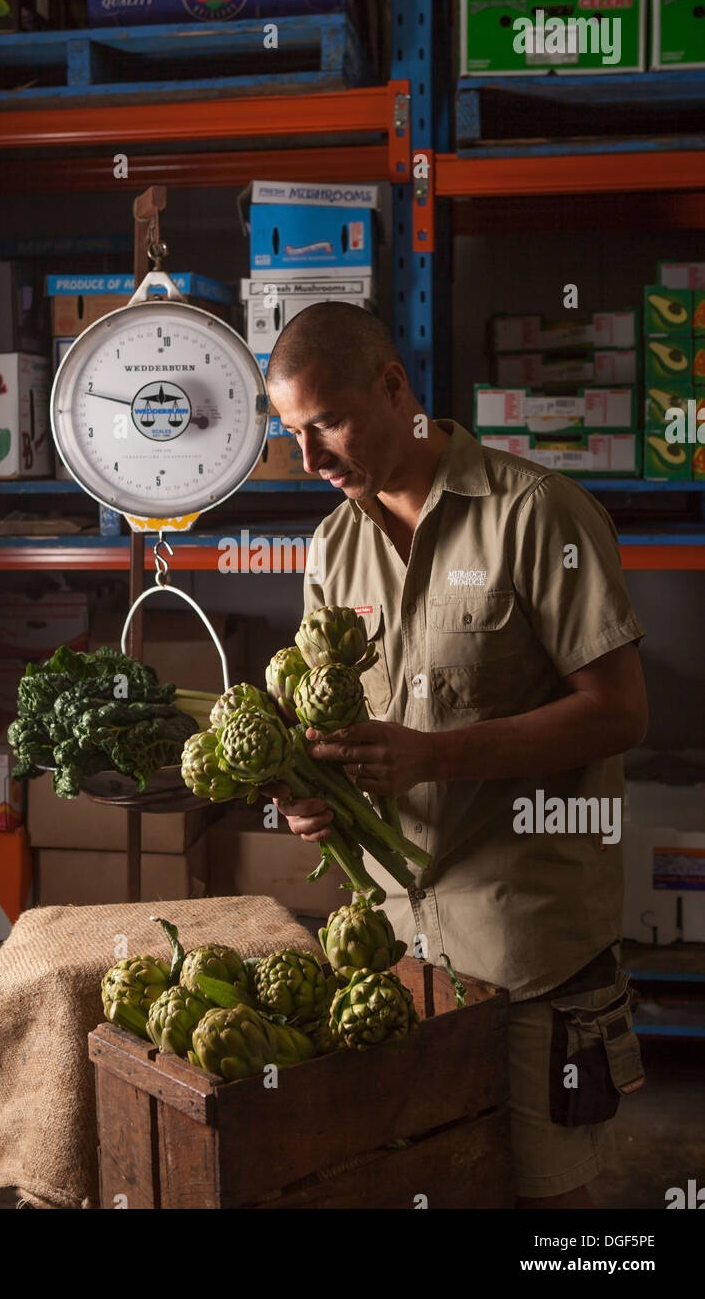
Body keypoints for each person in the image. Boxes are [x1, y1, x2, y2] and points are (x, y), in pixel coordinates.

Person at [266, 302, 647, 1209]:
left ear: (394, 388)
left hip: (529, 953)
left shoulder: (536, 514)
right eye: (293, 435)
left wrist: (435, 756)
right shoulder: (332, 549)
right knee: (427, 1180)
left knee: (552, 1209)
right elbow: (327, 727)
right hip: (392, 947)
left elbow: (619, 711)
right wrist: (304, 794)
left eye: (327, 424)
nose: (311, 460)